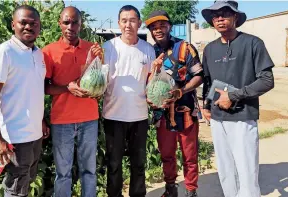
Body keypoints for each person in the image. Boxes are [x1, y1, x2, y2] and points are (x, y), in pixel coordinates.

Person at [201, 1, 275, 197]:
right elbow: (208, 81)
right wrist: (206, 106)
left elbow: (267, 80)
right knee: (225, 170)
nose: (219, 18)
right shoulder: (209, 49)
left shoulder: (253, 43)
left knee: (247, 170)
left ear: (235, 17)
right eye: (215, 15)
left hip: (243, 117)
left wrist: (234, 95)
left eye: (225, 14)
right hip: (217, 119)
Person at [0, 5, 49, 197]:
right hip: (14, 137)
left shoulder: (38, 54)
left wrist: (41, 120)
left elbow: (32, 90)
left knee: (26, 182)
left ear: (39, 27)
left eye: (34, 23)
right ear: (13, 24)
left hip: (34, 134)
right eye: (23, 22)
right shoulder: (4, 53)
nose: (28, 27)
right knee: (15, 188)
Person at [42, 6, 102, 197]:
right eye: (66, 22)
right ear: (59, 23)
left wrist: (96, 62)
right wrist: (67, 87)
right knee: (63, 173)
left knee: (89, 171)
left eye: (74, 22)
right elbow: (45, 87)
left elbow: (98, 81)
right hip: (62, 120)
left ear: (80, 24)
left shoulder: (92, 48)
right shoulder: (49, 52)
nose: (70, 26)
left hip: (89, 118)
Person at [145, 10, 203, 197]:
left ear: (169, 26)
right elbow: (147, 82)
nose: (158, 30)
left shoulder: (185, 48)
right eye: (154, 27)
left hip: (186, 110)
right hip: (162, 113)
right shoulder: (150, 52)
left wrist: (182, 90)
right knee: (167, 154)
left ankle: (191, 191)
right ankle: (171, 188)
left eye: (162, 25)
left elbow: (199, 75)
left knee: (189, 154)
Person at [101, 5, 156, 197]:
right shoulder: (108, 49)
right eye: (124, 21)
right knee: (114, 164)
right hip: (113, 115)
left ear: (139, 23)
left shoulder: (148, 50)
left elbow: (152, 82)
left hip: (139, 116)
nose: (128, 25)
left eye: (132, 20)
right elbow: (99, 81)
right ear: (119, 23)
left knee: (138, 163)